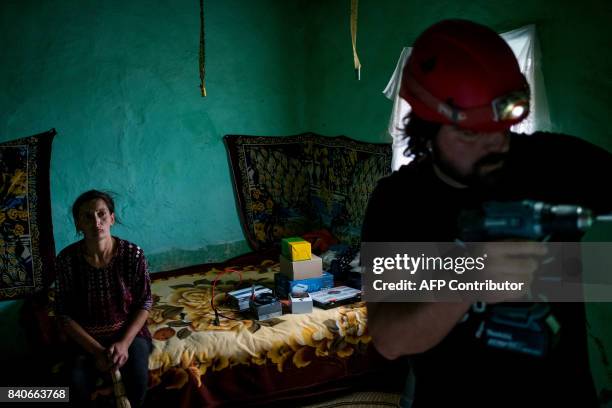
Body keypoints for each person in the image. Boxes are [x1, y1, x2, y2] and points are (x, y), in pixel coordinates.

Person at [361, 19, 611, 407]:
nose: (496, 143)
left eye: (504, 126)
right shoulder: (398, 202)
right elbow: (390, 339)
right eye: (471, 134)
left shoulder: (557, 162)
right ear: (427, 129)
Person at [54, 190, 153, 407]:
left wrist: (124, 344)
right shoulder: (66, 260)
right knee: (75, 383)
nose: (96, 221)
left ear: (112, 218)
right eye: (87, 217)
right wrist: (97, 352)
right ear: (78, 224)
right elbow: (63, 314)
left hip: (128, 334)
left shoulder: (132, 254)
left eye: (101, 214)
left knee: (137, 380)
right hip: (86, 340)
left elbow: (145, 302)